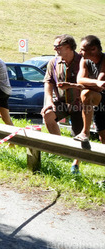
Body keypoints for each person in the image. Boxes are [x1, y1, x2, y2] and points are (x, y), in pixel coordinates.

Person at [41, 34, 83, 174]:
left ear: (68, 47)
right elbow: (48, 82)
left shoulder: (83, 62)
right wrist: (49, 101)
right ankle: (61, 150)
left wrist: (72, 86)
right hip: (61, 102)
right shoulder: (53, 62)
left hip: (80, 105)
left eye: (57, 46)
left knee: (79, 135)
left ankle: (75, 164)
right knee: (47, 115)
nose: (55, 49)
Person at [75, 35, 105, 145]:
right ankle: (85, 134)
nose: (79, 52)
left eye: (82, 49)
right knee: (103, 137)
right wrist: (95, 82)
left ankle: (85, 132)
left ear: (93, 49)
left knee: (86, 93)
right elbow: (80, 80)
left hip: (100, 96)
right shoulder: (84, 61)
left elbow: (100, 85)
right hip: (98, 100)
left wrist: (84, 84)